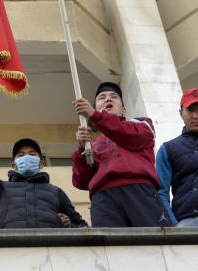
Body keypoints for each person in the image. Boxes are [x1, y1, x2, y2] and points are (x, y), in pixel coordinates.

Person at [73, 81, 170, 227]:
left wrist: (94, 116)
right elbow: (81, 181)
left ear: (124, 110)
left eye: (114, 97)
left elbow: (131, 137)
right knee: (112, 247)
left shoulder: (142, 124)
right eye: (101, 98)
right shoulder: (92, 144)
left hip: (139, 191)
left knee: (154, 244)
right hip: (103, 198)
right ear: (96, 108)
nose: (108, 99)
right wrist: (82, 149)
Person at [0, 112, 86, 228]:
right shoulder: (2, 188)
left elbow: (83, 226)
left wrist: (70, 226)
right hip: (12, 246)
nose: (26, 157)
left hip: (49, 246)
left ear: (41, 164)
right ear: (14, 166)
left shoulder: (56, 192)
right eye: (21, 155)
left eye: (32, 154)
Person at [156, 87, 198, 226]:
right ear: (181, 113)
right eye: (190, 110)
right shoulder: (168, 149)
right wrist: (174, 225)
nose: (195, 116)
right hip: (187, 222)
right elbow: (161, 193)